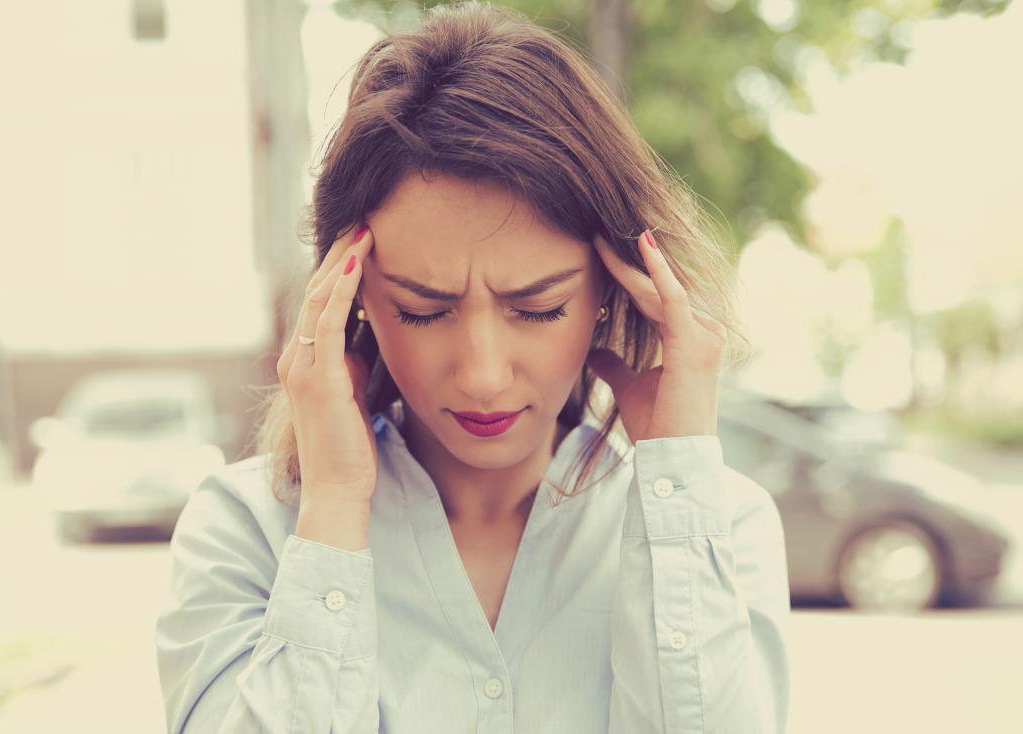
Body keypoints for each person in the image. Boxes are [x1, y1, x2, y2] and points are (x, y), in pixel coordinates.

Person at [155, 1, 791, 732]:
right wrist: (331, 505)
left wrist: (677, 482)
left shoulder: (721, 529)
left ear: (615, 295)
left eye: (538, 308)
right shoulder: (246, 531)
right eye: (425, 310)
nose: (483, 375)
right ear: (351, 296)